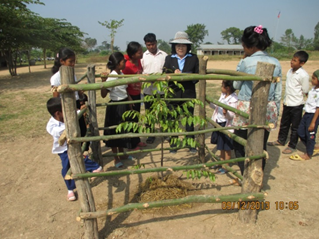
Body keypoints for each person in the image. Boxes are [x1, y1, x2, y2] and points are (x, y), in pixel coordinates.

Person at [232, 25, 282, 176]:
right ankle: (258, 174)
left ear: (250, 46)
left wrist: (240, 63)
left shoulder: (246, 63)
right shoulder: (276, 62)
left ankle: (246, 175)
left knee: (239, 142)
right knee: (261, 144)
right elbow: (278, 91)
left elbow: (235, 85)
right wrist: (276, 110)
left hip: (247, 107)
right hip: (268, 106)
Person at [46, 97, 102, 201]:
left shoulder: (68, 116)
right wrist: (71, 122)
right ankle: (70, 189)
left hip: (73, 145)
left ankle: (95, 167)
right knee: (66, 168)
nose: (69, 113)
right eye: (65, 111)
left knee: (79, 158)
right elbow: (58, 132)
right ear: (58, 113)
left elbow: (78, 112)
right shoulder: (51, 125)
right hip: (63, 150)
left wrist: (83, 110)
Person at [163, 31, 199, 154]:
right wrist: (173, 75)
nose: (180, 48)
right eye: (178, 45)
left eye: (183, 45)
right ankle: (173, 144)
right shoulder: (169, 59)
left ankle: (190, 144)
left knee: (189, 120)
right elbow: (164, 75)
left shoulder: (193, 58)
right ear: (174, 47)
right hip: (173, 95)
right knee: (173, 120)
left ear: (188, 47)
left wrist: (184, 76)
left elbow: (197, 77)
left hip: (189, 94)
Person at [268, 51, 309, 154]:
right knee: (284, 123)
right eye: (292, 59)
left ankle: (292, 145)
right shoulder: (290, 71)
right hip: (287, 102)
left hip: (297, 104)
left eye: (295, 60)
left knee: (295, 126)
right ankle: (281, 140)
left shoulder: (303, 75)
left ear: (302, 63)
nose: (292, 62)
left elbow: (305, 90)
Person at [101, 52, 137, 168]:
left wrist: (129, 100)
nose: (125, 62)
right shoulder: (111, 77)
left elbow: (124, 90)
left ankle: (122, 154)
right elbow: (103, 94)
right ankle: (116, 158)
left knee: (122, 131)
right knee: (115, 132)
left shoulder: (121, 73)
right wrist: (103, 82)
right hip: (115, 107)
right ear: (117, 64)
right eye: (123, 61)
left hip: (124, 104)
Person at [50, 48, 89, 151]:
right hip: (66, 105)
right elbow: (56, 97)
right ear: (62, 61)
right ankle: (77, 155)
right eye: (70, 62)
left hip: (76, 103)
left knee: (82, 130)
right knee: (73, 132)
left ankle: (83, 154)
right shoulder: (56, 78)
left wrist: (81, 94)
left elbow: (75, 91)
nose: (73, 64)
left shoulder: (72, 74)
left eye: (74, 61)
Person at [141, 33, 168, 144]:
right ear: (145, 45)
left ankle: (165, 132)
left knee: (163, 112)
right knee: (149, 113)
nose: (151, 47)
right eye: (148, 45)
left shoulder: (164, 55)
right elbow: (141, 72)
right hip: (148, 90)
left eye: (152, 44)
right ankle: (151, 134)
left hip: (162, 90)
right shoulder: (143, 57)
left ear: (156, 43)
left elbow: (167, 71)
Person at [290, 70, 319, 161]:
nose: (311, 80)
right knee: (300, 132)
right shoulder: (313, 89)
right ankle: (312, 147)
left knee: (310, 134)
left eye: (314, 78)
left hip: (313, 116)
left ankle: (308, 154)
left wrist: (313, 122)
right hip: (306, 114)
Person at [122, 41, 146, 150]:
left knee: (136, 119)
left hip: (137, 93)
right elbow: (123, 84)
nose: (141, 53)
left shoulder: (139, 61)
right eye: (139, 52)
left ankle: (136, 141)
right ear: (132, 55)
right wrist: (128, 97)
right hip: (130, 95)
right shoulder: (127, 66)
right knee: (130, 120)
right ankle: (131, 144)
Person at [210, 80, 238, 174]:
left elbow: (232, 116)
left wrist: (226, 113)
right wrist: (209, 102)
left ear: (227, 88)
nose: (221, 87)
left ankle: (226, 166)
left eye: (222, 86)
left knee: (227, 148)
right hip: (219, 122)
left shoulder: (234, 100)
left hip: (227, 125)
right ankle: (221, 163)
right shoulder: (223, 95)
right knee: (220, 145)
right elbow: (216, 107)